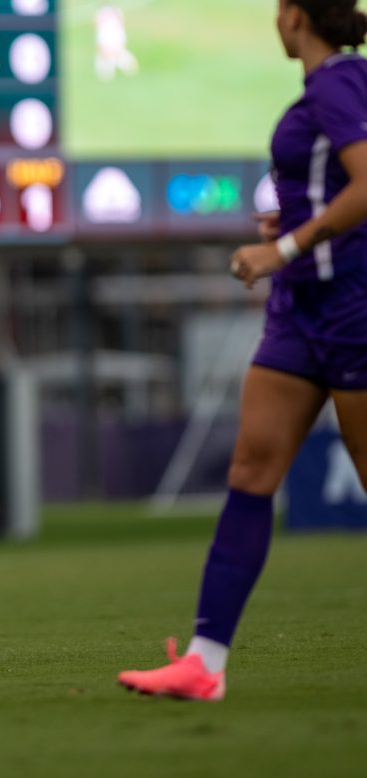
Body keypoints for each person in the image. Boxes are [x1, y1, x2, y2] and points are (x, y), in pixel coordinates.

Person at [118, 0, 367, 701]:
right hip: (300, 310)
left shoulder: (339, 80)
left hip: (349, 305)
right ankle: (204, 663)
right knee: (251, 469)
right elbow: (339, 188)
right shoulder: (332, 85)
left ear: (294, 15)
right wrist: (291, 222)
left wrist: (279, 246)